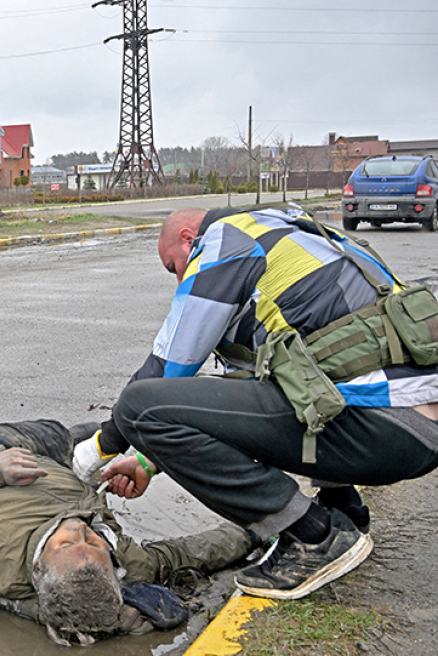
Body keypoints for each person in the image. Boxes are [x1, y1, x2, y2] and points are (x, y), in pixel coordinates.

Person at [73, 206, 438, 600]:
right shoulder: (289, 229)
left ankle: (314, 536)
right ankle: (343, 509)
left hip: (387, 429)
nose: (180, 278)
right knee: (290, 376)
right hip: (412, 426)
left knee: (137, 406)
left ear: (186, 237)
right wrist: (149, 459)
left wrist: (102, 446)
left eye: (173, 266)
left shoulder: (227, 241)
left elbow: (168, 368)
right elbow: (249, 397)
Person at [0, 419, 255, 646]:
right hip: (61, 471)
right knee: (103, 436)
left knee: (71, 434)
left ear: (39, 566)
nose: (78, 528)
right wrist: (255, 533)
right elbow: (188, 553)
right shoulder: (130, 564)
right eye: (93, 542)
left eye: (68, 543)